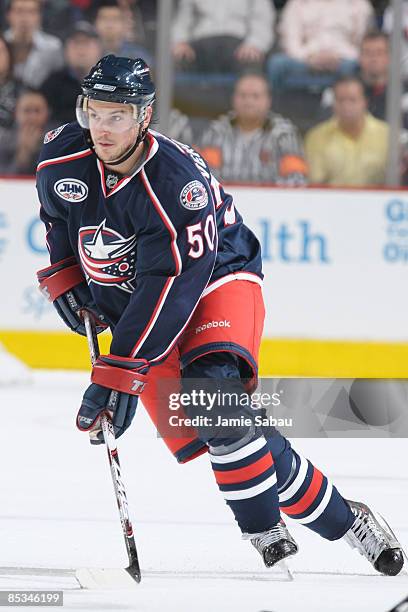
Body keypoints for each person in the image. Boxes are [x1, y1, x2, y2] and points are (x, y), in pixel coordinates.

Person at [36, 55, 404, 575]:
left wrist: (119, 371)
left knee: (215, 404)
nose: (102, 126)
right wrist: (66, 278)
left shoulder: (176, 183)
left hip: (214, 281)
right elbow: (56, 220)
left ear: (144, 117)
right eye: (95, 111)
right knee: (231, 428)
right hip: (141, 303)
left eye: (117, 114)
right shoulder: (60, 159)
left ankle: (264, 531)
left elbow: (172, 287)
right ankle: (348, 522)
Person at [199, 73, 307, 184]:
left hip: (271, 200)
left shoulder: (284, 134)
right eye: (243, 96)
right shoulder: (216, 131)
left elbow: (296, 179)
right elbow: (205, 177)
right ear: (233, 98)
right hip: (224, 199)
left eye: (255, 96)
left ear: (268, 100)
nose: (248, 102)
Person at [267, 0, 374, 92]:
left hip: (343, 60)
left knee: (355, 66)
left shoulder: (359, 4)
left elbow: (364, 44)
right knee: (277, 64)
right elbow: (291, 41)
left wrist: (338, 57)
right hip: (304, 60)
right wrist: (309, 58)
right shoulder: (297, 3)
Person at [305, 76, 389, 186]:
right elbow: (315, 183)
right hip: (330, 201)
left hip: (380, 201)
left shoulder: (387, 135)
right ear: (333, 103)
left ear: (365, 102)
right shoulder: (316, 137)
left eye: (353, 100)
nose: (346, 106)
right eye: (340, 100)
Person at [321, 31, 408, 128]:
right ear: (359, 57)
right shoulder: (343, 87)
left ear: (390, 57)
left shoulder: (403, 90)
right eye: (368, 53)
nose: (373, 58)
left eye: (379, 53)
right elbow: (325, 120)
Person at [172, 0, 275, 74]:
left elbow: (262, 20)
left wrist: (254, 44)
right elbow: (182, 20)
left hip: (239, 46)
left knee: (252, 60)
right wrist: (180, 42)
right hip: (200, 44)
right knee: (178, 60)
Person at [41, 22, 102, 125]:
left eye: (86, 43)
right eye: (75, 43)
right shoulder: (52, 83)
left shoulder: (111, 82)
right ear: (65, 50)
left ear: (99, 49)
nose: (81, 49)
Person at [4, 0, 64, 89]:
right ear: (8, 15)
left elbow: (60, 82)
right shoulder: (2, 45)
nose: (24, 18)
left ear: (39, 16)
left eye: (31, 12)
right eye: (19, 11)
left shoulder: (53, 47)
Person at [4, 88, 50, 175]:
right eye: (27, 110)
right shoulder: (5, 140)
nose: (32, 117)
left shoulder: (58, 139)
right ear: (16, 113)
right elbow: (5, 180)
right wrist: (24, 153)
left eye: (37, 110)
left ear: (47, 113)